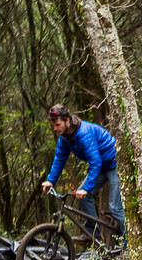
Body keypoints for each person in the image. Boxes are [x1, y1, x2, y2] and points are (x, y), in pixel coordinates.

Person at [41, 104, 126, 245]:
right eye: (53, 126)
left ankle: (131, 247)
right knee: (83, 198)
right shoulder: (65, 137)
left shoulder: (84, 133)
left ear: (67, 120)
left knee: (115, 207)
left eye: (57, 125)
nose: (55, 129)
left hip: (114, 164)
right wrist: (50, 180)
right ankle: (92, 235)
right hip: (101, 166)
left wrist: (86, 188)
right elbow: (59, 159)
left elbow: (95, 161)